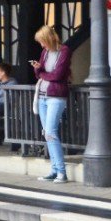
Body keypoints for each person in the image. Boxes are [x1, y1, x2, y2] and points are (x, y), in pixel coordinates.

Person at [31, 24, 71, 184]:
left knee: (51, 133)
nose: (42, 45)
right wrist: (38, 70)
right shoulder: (45, 52)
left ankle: (61, 172)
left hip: (56, 96)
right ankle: (54, 170)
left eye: (43, 41)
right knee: (47, 133)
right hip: (42, 96)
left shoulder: (64, 51)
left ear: (48, 38)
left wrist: (42, 73)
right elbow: (42, 74)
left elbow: (58, 75)